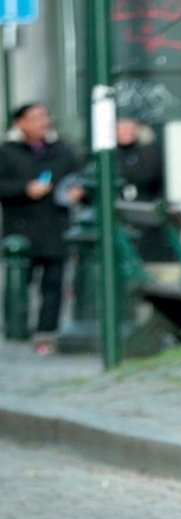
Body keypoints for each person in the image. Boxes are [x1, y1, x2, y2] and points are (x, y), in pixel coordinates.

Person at [0, 102, 85, 354]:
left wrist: (76, 191)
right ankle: (16, 329)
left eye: (45, 116)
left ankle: (46, 333)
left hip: (55, 226)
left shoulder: (62, 150)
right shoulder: (7, 151)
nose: (43, 121)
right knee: (18, 280)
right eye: (36, 117)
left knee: (53, 283)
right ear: (20, 122)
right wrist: (25, 189)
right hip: (21, 227)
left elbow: (80, 178)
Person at [115, 117, 172, 262]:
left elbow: (148, 176)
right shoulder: (111, 154)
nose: (126, 132)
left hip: (146, 218)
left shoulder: (149, 151)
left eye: (130, 127)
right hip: (120, 218)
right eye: (121, 127)